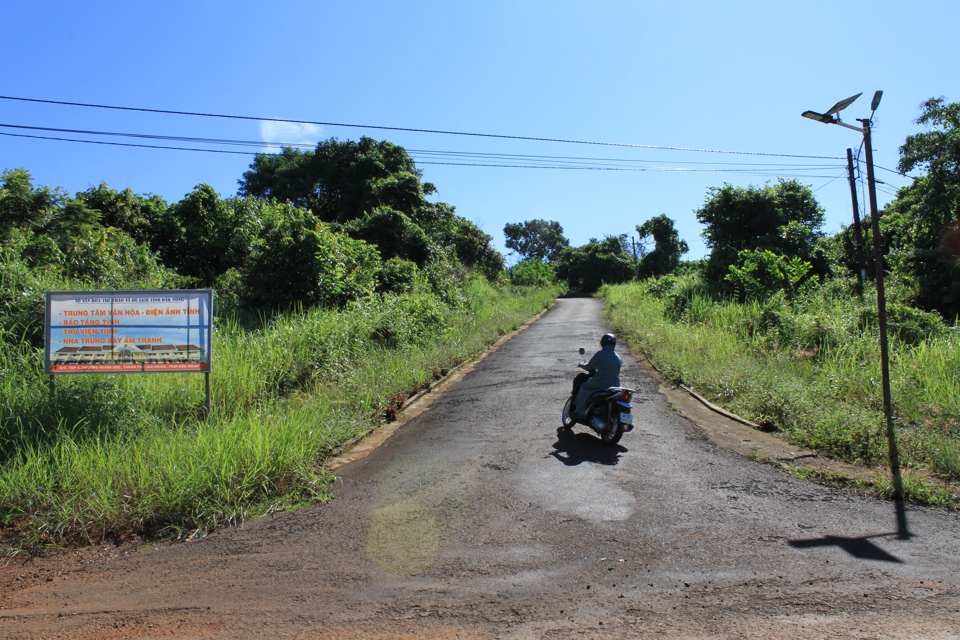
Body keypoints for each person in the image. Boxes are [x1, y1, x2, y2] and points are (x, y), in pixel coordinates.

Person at [574, 333, 622, 417]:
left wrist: (581, 364)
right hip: (615, 384)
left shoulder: (600, 354)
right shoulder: (617, 357)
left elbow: (589, 367)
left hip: (600, 381)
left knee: (584, 387)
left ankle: (579, 411)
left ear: (602, 343)